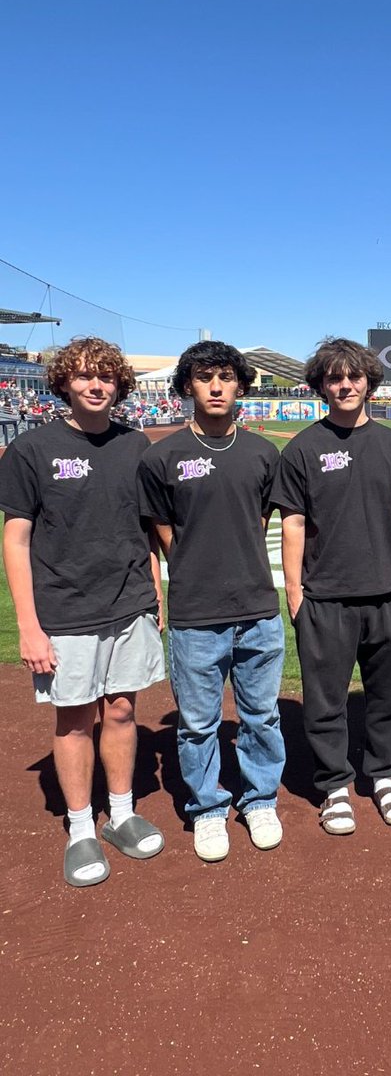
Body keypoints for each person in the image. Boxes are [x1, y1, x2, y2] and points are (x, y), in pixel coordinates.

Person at [0, 337, 166, 888]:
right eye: (84, 377)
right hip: (64, 610)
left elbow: (144, 528)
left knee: (121, 712)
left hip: (129, 603)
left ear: (120, 385)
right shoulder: (33, 449)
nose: (96, 385)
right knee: (74, 720)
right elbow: (17, 538)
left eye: (106, 377)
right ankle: (79, 829)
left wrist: (155, 590)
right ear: (64, 384)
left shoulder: (136, 444)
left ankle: (120, 813)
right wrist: (28, 624)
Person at [138, 341, 285, 863]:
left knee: (261, 716)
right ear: (187, 387)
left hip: (258, 610)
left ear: (240, 385)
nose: (217, 386)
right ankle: (207, 809)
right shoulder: (162, 456)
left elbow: (260, 521)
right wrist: (196, 561)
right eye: (205, 378)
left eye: (226, 377)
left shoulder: (263, 453)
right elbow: (161, 528)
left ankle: (260, 799)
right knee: (198, 723)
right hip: (196, 614)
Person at [273, 338, 391, 835]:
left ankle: (383, 774)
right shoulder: (302, 449)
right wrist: (295, 593)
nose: (345, 385)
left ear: (369, 382)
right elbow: (293, 524)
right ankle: (334, 785)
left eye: (354, 376)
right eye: (334, 378)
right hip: (325, 597)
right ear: (320, 386)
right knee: (326, 699)